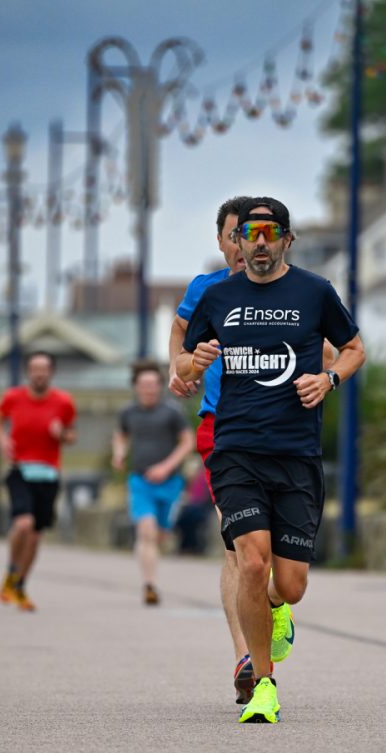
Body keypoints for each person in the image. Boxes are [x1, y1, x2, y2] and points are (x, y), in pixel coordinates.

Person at [179, 197, 366, 723]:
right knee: (251, 562)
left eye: (271, 232)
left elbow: (354, 348)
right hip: (236, 451)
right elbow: (183, 359)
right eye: (250, 233)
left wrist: (328, 379)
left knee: (290, 584)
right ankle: (264, 684)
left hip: (297, 455)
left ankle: (278, 608)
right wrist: (191, 362)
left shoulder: (315, 292)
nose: (260, 242)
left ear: (287, 239)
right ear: (237, 242)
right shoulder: (219, 296)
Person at [167, 195, 256, 688]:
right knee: (235, 542)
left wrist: (321, 378)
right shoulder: (206, 291)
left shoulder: (296, 294)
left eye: (253, 234)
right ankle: (245, 657)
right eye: (233, 235)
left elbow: (333, 348)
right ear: (221, 242)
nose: (243, 245)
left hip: (280, 432)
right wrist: (177, 368)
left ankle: (275, 603)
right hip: (220, 426)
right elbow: (180, 330)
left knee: (276, 561)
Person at [0, 351, 77, 612]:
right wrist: (3, 440)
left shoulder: (63, 402)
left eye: (44, 369)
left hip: (49, 474)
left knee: (36, 536)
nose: (39, 373)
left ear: (51, 372)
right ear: (28, 372)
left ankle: (20, 585)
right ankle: (10, 571)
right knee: (23, 524)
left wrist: (61, 434)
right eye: (34, 368)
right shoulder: (12, 397)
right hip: (20, 470)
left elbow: (72, 435)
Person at [112, 360, 194, 606]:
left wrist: (165, 467)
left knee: (160, 534)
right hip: (140, 481)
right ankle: (150, 585)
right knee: (145, 531)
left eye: (153, 384)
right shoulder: (128, 412)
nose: (149, 389)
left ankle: (151, 562)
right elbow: (121, 435)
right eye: (143, 385)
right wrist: (118, 453)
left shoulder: (172, 412)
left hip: (170, 483)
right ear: (136, 386)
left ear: (160, 386)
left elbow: (187, 443)